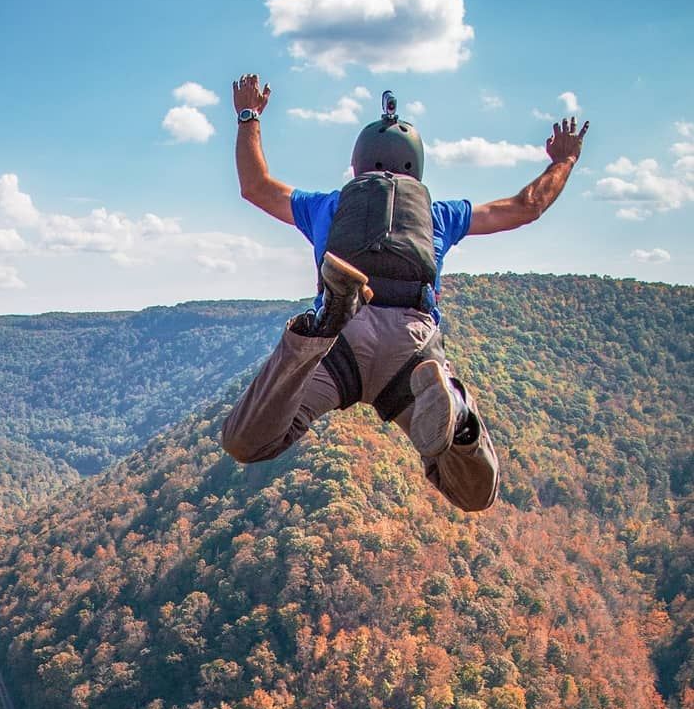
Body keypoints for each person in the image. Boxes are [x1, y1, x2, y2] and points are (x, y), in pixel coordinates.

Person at [221, 75, 589, 513]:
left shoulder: (326, 206)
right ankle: (461, 420)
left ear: (357, 167)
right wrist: (563, 161)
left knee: (246, 440)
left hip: (341, 341)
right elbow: (525, 207)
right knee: (474, 495)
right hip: (411, 351)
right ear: (417, 169)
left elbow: (256, 186)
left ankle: (316, 329)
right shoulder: (439, 215)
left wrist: (249, 116)